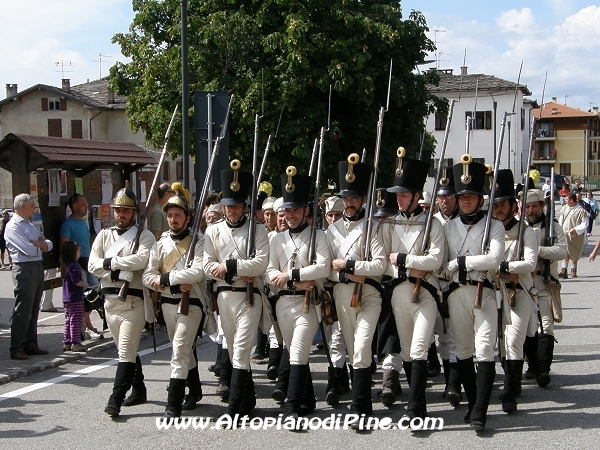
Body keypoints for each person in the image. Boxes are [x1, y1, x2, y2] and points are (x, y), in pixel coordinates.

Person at [203, 163, 271, 419]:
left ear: (244, 206)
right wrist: (229, 269)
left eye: (236, 205)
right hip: (223, 296)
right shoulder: (213, 231)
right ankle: (248, 399)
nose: (231, 210)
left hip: (248, 296)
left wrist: (229, 266)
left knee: (242, 351)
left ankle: (232, 409)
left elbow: (260, 263)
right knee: (233, 351)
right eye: (227, 206)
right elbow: (207, 265)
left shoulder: (259, 230)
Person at [441, 161, 504, 431]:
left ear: (480, 198)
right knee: (464, 351)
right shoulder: (447, 227)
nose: (465, 201)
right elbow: (443, 263)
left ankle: (480, 410)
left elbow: (494, 258)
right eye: (462, 196)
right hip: (457, 294)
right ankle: (473, 403)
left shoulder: (495, 226)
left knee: (485, 349)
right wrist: (454, 266)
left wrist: (462, 263)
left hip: (484, 292)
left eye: (471, 196)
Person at [381, 157, 444, 420]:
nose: (399, 199)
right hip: (398, 293)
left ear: (417, 195)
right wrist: (407, 268)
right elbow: (384, 261)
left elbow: (435, 260)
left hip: (426, 293)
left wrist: (404, 260)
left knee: (419, 349)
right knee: (406, 351)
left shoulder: (433, 224)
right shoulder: (390, 224)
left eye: (404, 194)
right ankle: (418, 402)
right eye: (397, 194)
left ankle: (415, 408)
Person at [266, 167, 330, 423]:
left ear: (306, 210)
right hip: (284, 302)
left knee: (299, 351)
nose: (290, 216)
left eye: (295, 210)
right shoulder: (276, 240)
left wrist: (293, 275)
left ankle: (291, 407)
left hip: (307, 304)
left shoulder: (318, 236)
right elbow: (270, 270)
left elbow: (323, 266)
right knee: (292, 349)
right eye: (286, 211)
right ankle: (309, 400)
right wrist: (287, 280)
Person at [143, 192, 213, 418]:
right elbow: (148, 277)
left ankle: (173, 404)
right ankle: (194, 390)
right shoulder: (160, 243)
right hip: (168, 303)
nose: (173, 219)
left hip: (192, 303)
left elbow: (198, 272)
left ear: (187, 218)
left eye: (178, 215)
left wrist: (166, 278)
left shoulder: (199, 241)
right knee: (182, 349)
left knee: (180, 350)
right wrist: (170, 283)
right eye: (170, 215)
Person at [89, 184, 156, 417]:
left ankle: (115, 399)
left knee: (125, 353)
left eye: (126, 211)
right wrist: (115, 267)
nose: (121, 215)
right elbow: (93, 265)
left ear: (134, 213)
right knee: (127, 350)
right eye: (118, 210)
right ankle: (139, 389)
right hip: (109, 302)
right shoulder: (104, 235)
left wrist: (110, 264)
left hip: (132, 303)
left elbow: (141, 260)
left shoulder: (144, 236)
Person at [327, 156, 385, 424]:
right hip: (342, 293)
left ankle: (360, 407)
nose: (349, 202)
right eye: (345, 197)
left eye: (355, 197)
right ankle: (361, 397)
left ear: (364, 199)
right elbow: (326, 268)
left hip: (369, 294)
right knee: (352, 348)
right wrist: (347, 272)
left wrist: (351, 264)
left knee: (362, 347)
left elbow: (380, 264)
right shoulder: (331, 230)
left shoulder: (373, 227)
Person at [490, 170, 538, 413]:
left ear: (512, 205)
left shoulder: (526, 232)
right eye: (494, 204)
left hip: (519, 293)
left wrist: (500, 266)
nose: (497, 209)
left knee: (513, 341)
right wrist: (500, 269)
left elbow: (529, 264)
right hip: (494, 293)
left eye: (501, 204)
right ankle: (512, 382)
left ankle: (510, 390)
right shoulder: (489, 231)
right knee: (495, 342)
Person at [526, 189, 567, 388]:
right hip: (525, 284)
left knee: (546, 326)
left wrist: (538, 251)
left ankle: (543, 368)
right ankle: (532, 365)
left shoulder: (553, 227)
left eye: (534, 206)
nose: (531, 210)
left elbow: (562, 250)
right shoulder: (521, 227)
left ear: (542, 206)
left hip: (545, 283)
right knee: (527, 327)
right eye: (527, 206)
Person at [5, 194, 53, 360]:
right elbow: (28, 250)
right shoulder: (13, 226)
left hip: (36, 266)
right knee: (22, 308)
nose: (35, 209)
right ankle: (16, 346)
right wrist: (40, 245)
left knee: (33, 307)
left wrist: (39, 244)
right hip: (24, 267)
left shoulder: (29, 224)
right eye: (32, 205)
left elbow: (48, 244)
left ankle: (30, 344)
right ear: (22, 206)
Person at [59, 193, 103, 338]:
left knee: (95, 293)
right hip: (77, 263)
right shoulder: (68, 224)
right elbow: (64, 245)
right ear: (75, 206)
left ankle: (87, 324)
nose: (86, 207)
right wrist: (68, 265)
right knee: (82, 295)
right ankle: (81, 331)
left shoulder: (83, 223)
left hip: (88, 261)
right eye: (83, 204)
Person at [61, 241, 89, 353]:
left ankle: (67, 342)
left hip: (66, 298)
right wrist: (85, 284)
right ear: (73, 253)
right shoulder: (75, 266)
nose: (79, 253)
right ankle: (76, 343)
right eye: (78, 251)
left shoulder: (65, 266)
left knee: (68, 320)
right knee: (76, 321)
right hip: (74, 298)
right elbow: (76, 281)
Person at [558, 192, 589, 278]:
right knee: (566, 251)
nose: (565, 201)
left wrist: (576, 229)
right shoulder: (565, 208)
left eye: (567, 199)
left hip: (576, 236)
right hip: (565, 233)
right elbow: (561, 220)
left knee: (574, 251)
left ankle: (573, 269)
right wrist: (559, 230)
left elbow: (585, 223)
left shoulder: (581, 211)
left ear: (571, 200)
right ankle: (564, 269)